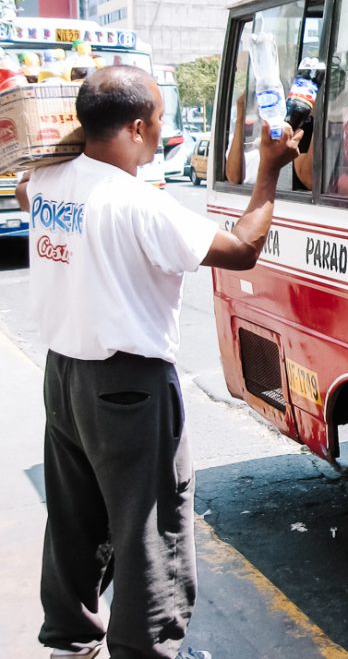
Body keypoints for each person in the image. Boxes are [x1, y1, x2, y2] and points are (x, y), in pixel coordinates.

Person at [17, 65, 301, 659]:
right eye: (159, 125)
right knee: (150, 527)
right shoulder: (138, 205)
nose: (160, 137)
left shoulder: (44, 183)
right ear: (138, 127)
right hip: (130, 387)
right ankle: (145, 649)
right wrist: (270, 171)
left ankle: (69, 641)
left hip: (65, 379)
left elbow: (29, 185)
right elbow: (243, 249)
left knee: (76, 517)